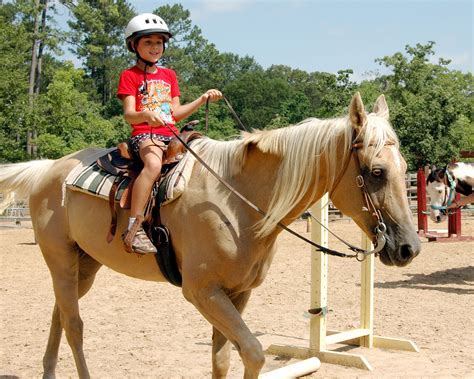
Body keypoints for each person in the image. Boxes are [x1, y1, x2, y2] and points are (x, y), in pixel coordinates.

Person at [117, 13, 222, 255]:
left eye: (159, 42)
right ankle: (134, 228)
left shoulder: (169, 75)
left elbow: (175, 112)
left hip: (172, 135)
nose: (155, 47)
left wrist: (202, 98)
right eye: (148, 42)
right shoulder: (129, 76)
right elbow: (129, 114)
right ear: (134, 45)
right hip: (145, 136)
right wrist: (147, 115)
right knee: (152, 165)